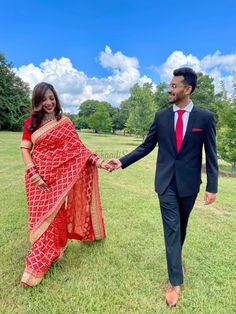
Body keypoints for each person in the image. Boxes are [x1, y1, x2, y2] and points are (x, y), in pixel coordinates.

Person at [106, 67, 218, 307]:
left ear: (187, 89)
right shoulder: (161, 117)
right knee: (172, 229)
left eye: (175, 86)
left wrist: (212, 186)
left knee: (182, 227)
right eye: (170, 84)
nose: (169, 89)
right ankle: (175, 280)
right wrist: (122, 161)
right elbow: (146, 146)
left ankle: (176, 260)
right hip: (165, 182)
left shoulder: (205, 118)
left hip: (189, 184)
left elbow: (211, 154)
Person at [20, 82, 109, 287]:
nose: (49, 103)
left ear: (56, 99)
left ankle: (37, 264)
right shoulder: (30, 123)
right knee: (39, 218)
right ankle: (50, 250)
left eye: (52, 98)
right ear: (37, 101)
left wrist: (101, 163)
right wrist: (33, 173)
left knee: (57, 216)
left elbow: (80, 151)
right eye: (44, 99)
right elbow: (25, 149)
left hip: (58, 179)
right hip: (36, 179)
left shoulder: (64, 122)